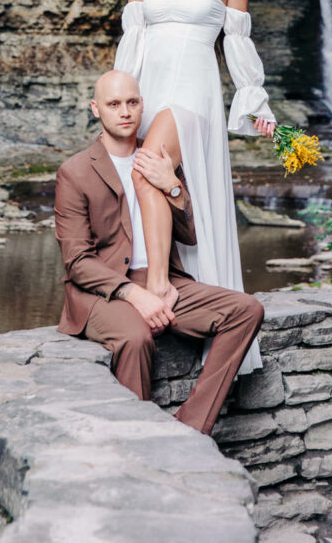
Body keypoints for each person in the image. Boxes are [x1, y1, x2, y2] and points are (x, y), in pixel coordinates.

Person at [114, 0, 275, 375]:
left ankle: (159, 284)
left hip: (194, 93)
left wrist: (256, 105)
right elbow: (131, 49)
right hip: (153, 89)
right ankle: (191, 292)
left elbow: (238, 47)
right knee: (155, 182)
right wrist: (121, 106)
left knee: (148, 170)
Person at [54, 69, 265, 435]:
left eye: (132, 102)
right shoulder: (74, 172)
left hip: (165, 280)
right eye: (114, 104)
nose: (125, 112)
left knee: (246, 310)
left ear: (142, 106)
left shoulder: (158, 159)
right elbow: (77, 262)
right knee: (135, 338)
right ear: (96, 109)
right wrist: (134, 294)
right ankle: (132, 439)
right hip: (105, 291)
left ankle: (191, 426)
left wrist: (173, 188)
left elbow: (191, 236)